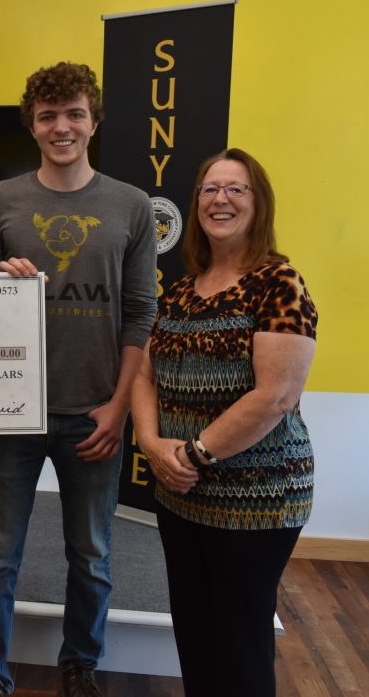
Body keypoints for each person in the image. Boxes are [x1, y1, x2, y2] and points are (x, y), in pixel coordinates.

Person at [0, 62, 157, 697]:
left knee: (93, 557)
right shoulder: (1, 201)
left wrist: (120, 408)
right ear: (32, 126)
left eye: (74, 113)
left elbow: (140, 314)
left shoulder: (130, 204)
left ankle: (81, 665)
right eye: (48, 116)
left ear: (94, 122)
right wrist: (1, 282)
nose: (62, 127)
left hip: (94, 413)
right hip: (11, 413)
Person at [131, 149, 317, 697]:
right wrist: (149, 443)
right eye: (210, 189)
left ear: (259, 204)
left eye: (237, 189)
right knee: (193, 629)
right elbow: (145, 375)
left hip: (258, 498)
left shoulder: (279, 282)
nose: (221, 199)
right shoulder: (183, 291)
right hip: (180, 495)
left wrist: (190, 455)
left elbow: (277, 395)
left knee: (239, 636)